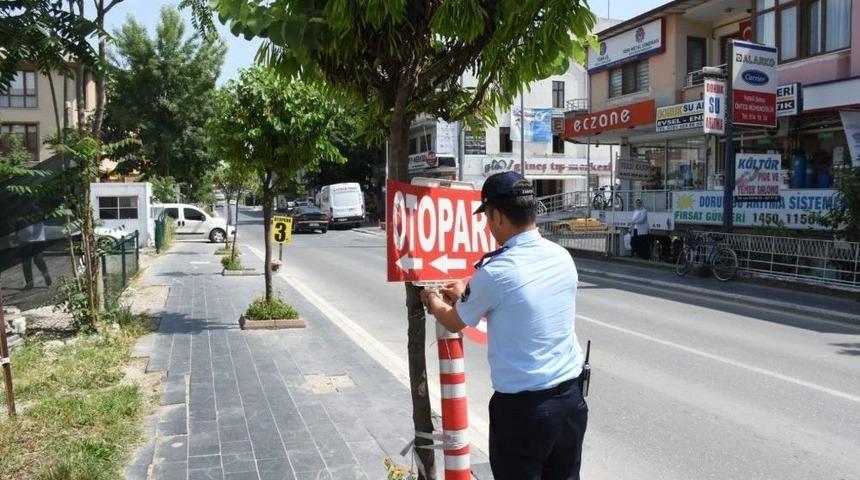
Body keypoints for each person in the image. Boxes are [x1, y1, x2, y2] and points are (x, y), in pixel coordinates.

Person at [420, 171, 588, 480]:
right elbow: (522, 312)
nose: (486, 225)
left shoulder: (496, 272)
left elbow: (453, 320)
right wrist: (472, 298)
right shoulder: (561, 257)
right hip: (570, 403)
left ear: (496, 215)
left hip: (524, 413)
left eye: (486, 217)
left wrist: (432, 299)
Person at [17, 220, 51, 289]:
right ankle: (44, 275)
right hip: (31, 237)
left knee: (29, 261)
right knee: (33, 260)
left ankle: (31, 282)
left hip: (32, 238)